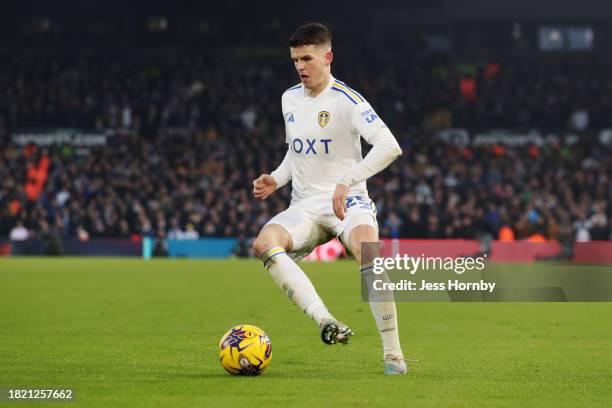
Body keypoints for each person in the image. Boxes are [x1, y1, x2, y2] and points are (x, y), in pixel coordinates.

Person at [251, 23, 406, 375]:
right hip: (304, 206)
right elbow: (295, 151)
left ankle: (394, 356)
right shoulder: (289, 98)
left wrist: (347, 181)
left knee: (368, 249)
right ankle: (325, 321)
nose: (301, 66)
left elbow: (390, 146)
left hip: (347, 202)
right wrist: (275, 178)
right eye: (295, 60)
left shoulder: (347, 101)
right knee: (264, 243)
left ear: (328, 57)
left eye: (307, 58)